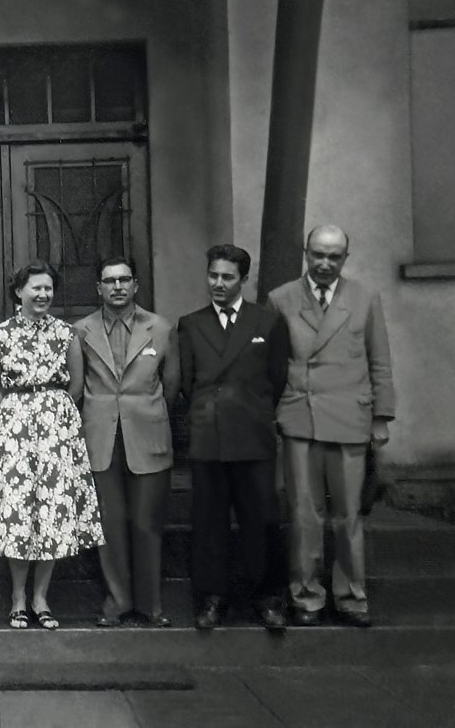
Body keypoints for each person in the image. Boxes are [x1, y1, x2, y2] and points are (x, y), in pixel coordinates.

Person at [269, 225, 395, 628]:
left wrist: (380, 417)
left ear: (345, 258)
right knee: (304, 513)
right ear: (306, 253)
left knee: (348, 514)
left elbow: (380, 360)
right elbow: (271, 364)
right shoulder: (281, 299)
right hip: (300, 417)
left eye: (334, 257)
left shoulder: (364, 298)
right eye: (318, 255)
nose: (325, 264)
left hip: (349, 416)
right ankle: (305, 596)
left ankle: (351, 595)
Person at [0, 261, 104, 631]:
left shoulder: (67, 334)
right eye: (35, 288)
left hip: (57, 430)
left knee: (54, 509)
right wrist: (18, 418)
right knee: (19, 511)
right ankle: (18, 597)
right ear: (18, 292)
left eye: (48, 288)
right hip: (15, 429)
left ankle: (41, 598)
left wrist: (52, 416)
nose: (42, 295)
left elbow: (77, 387)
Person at [178, 244, 289, 632]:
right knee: (209, 522)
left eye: (227, 277)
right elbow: (188, 383)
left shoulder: (267, 323)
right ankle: (212, 598)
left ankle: (268, 598)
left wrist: (248, 412)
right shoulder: (191, 324)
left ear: (244, 279)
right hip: (209, 435)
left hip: (252, 435)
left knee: (261, 519)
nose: (218, 284)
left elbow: (277, 380)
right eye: (213, 276)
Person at [75, 256, 180, 628]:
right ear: (98, 288)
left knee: (148, 522)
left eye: (124, 280)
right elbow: (76, 385)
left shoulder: (161, 328)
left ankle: (150, 605)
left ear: (136, 285)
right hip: (101, 437)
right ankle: (118, 600)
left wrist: (147, 415)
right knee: (110, 522)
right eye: (109, 281)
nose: (117, 287)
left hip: (147, 434)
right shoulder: (81, 331)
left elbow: (173, 385)